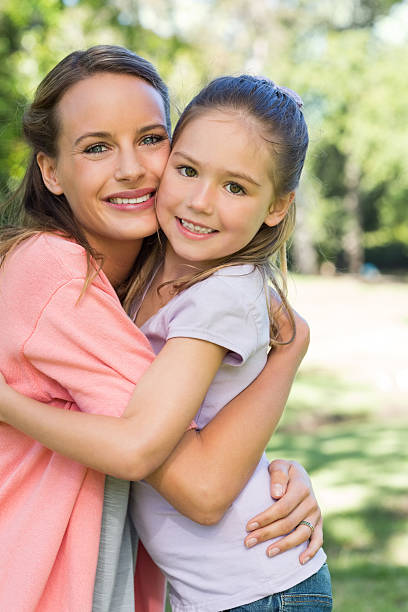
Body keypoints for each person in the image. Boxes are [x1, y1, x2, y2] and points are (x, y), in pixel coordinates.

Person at [0, 47, 323, 612]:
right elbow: (200, 484)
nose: (131, 167)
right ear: (50, 170)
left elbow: (198, 441)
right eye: (96, 147)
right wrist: (290, 350)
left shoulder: (161, 274)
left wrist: (276, 471)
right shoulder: (55, 271)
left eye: (151, 139)